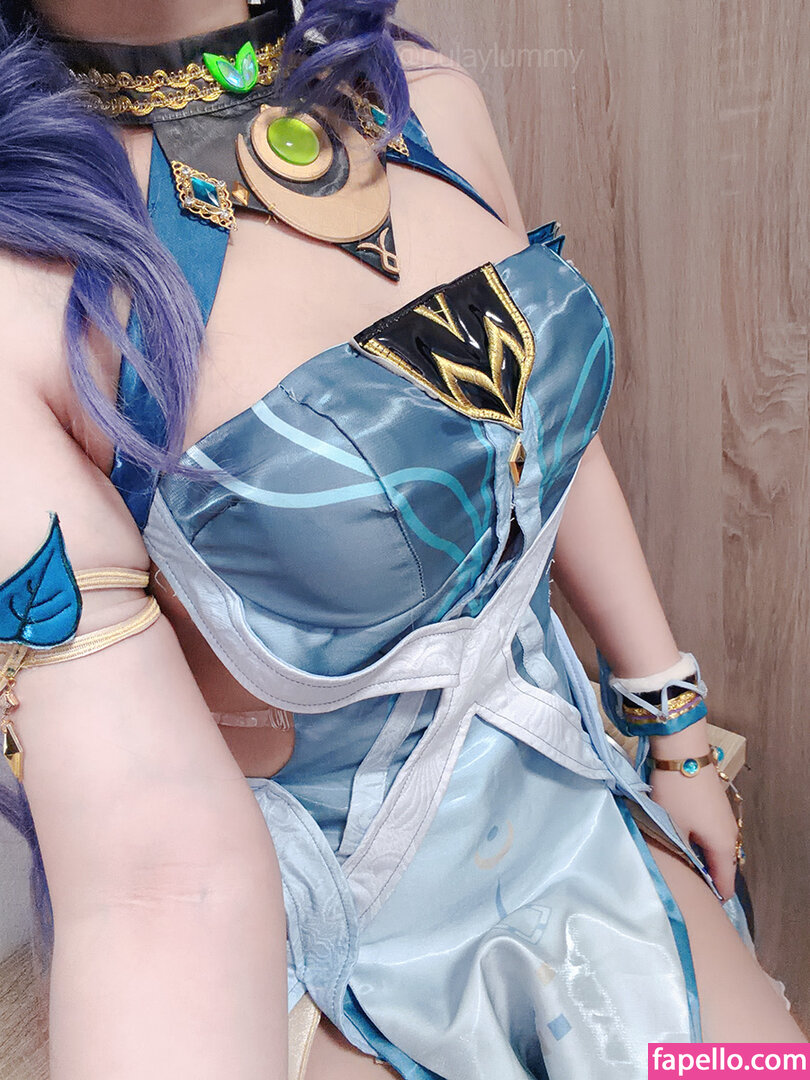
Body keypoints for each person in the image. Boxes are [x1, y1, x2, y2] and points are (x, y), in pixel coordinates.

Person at [0, 1, 804, 1077]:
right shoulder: (24, 292)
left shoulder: (426, 99)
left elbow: (536, 437)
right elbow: (155, 879)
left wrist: (671, 719)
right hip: (328, 923)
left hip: (574, 802)